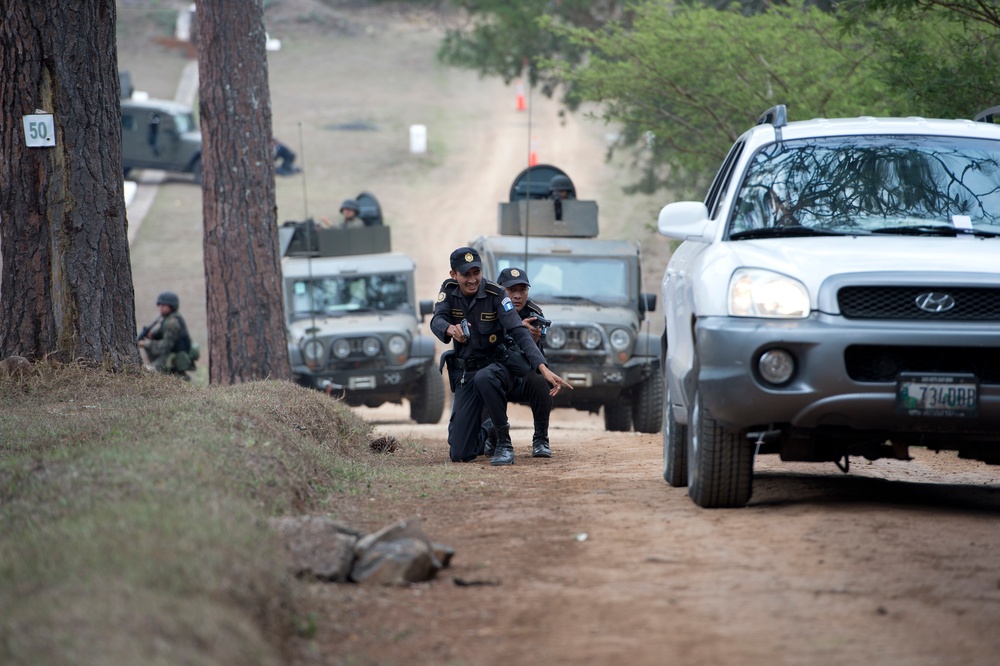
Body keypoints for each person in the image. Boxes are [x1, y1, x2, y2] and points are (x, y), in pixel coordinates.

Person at [431, 247, 571, 465]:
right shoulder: (448, 291)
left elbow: (517, 329)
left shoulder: (496, 294)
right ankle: (486, 432)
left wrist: (543, 368)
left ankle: (505, 443)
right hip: (466, 374)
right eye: (466, 274)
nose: (472, 279)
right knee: (460, 454)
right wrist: (449, 329)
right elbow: (436, 319)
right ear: (454, 275)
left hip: (494, 370)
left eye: (476, 273)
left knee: (489, 378)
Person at [488, 266, 554, 458]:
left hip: (522, 378)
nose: (517, 295)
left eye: (522, 290)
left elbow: (539, 357)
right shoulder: (491, 309)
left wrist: (532, 339)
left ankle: (541, 439)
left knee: (541, 380)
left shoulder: (534, 313)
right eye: (511, 290)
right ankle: (493, 436)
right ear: (501, 290)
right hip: (496, 375)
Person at [138, 291, 196, 380]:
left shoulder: (172, 323)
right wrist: (151, 335)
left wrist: (145, 344)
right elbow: (160, 333)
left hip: (171, 358)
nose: (161, 308)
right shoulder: (168, 319)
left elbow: (166, 346)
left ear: (172, 306)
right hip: (169, 356)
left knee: (149, 373)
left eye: (164, 306)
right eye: (160, 305)